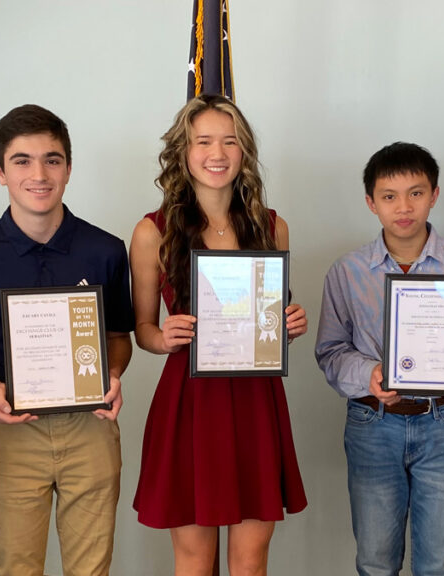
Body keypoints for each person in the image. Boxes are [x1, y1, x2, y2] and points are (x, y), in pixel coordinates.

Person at [0, 104, 133, 576]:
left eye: (52, 159)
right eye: (22, 161)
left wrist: (110, 374)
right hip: (12, 433)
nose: (39, 174)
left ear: (68, 167)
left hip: (90, 429)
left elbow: (119, 337)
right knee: (18, 568)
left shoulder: (106, 249)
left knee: (91, 570)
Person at [131, 94, 308, 575]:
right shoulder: (153, 231)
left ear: (244, 151)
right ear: (183, 152)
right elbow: (143, 329)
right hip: (190, 403)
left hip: (256, 400)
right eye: (203, 141)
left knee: (251, 560)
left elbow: (268, 323)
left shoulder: (274, 227)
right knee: (194, 559)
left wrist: (290, 325)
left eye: (230, 141)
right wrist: (162, 337)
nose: (217, 153)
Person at [315, 142, 444, 576]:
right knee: (375, 559)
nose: (404, 207)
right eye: (389, 196)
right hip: (372, 425)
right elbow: (329, 352)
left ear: (435, 194)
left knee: (440, 563)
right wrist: (370, 374)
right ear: (371, 203)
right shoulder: (347, 272)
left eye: (416, 193)